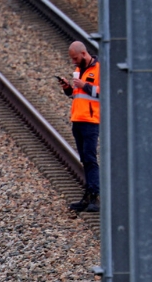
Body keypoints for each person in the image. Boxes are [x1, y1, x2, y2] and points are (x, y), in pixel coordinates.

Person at [58, 41, 100, 213]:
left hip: (91, 121)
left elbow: (105, 92)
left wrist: (85, 85)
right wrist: (68, 88)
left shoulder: (99, 69)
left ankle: (94, 196)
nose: (74, 62)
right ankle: (88, 195)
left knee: (90, 159)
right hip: (78, 119)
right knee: (84, 159)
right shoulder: (78, 70)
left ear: (83, 54)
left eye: (75, 58)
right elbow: (76, 95)